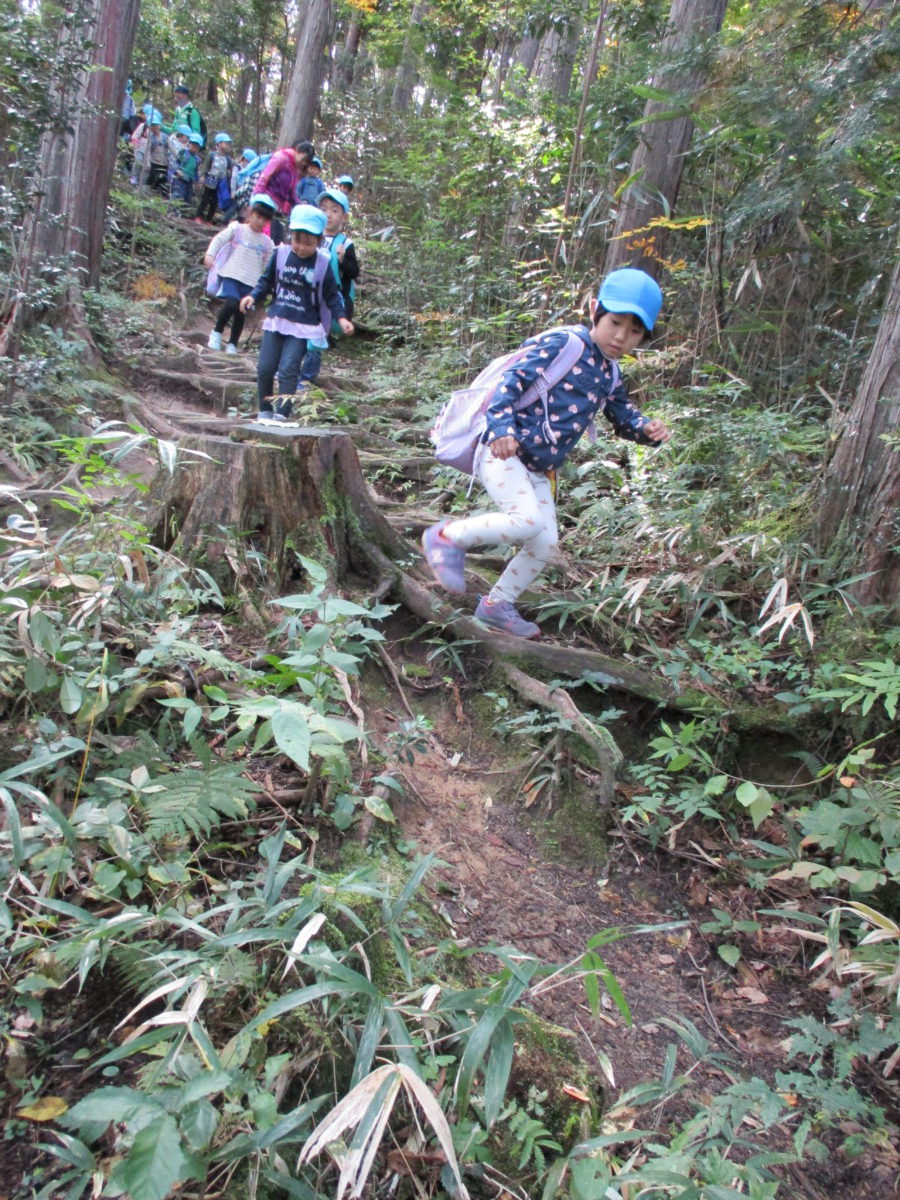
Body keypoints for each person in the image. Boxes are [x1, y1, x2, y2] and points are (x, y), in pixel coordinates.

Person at [421, 268, 672, 638]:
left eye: (634, 331)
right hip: (504, 452)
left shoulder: (612, 372)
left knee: (545, 542)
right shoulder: (564, 344)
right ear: (594, 310)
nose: (621, 337)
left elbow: (622, 415)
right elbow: (511, 383)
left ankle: (495, 606)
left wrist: (647, 430)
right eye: (615, 323)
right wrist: (502, 430)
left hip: (540, 467)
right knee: (526, 520)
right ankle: (447, 537)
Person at [239, 204, 353, 420]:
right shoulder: (281, 254)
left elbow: (331, 294)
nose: (301, 247)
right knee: (265, 367)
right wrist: (253, 296)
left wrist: (342, 318)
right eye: (297, 241)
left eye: (308, 243)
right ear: (290, 236)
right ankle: (264, 410)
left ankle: (282, 413)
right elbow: (266, 281)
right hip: (277, 319)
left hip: (302, 325)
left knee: (288, 368)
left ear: (319, 241)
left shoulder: (322, 263)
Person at [204, 194, 277, 355]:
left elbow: (268, 266)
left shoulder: (267, 243)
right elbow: (219, 239)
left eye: (264, 219)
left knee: (240, 311)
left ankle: (233, 343)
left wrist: (265, 286)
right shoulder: (237, 229)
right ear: (250, 214)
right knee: (231, 304)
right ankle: (216, 333)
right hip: (231, 274)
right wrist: (210, 254)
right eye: (258, 216)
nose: (260, 222)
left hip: (251, 282)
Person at [256, 141, 314, 243]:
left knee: (274, 240)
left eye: (307, 162)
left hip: (277, 209)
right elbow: (264, 178)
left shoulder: (294, 169)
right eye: (304, 159)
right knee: (263, 237)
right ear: (297, 151)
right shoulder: (281, 158)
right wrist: (256, 200)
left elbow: (290, 193)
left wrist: (301, 205)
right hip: (265, 203)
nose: (304, 163)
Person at [195, 133, 234, 225]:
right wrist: (202, 176)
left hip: (221, 183)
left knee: (214, 202)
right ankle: (198, 216)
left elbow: (231, 169)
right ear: (219, 143)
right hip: (210, 179)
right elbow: (205, 166)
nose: (228, 146)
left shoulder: (228, 159)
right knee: (205, 199)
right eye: (226, 143)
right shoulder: (212, 155)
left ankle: (209, 220)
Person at [171, 133, 203, 206]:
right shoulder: (183, 152)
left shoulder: (197, 160)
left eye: (197, 147)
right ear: (189, 144)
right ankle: (173, 210)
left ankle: (183, 212)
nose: (194, 149)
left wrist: (196, 182)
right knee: (178, 194)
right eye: (193, 146)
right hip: (179, 178)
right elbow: (176, 162)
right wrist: (177, 170)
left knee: (187, 198)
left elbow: (195, 171)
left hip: (189, 180)